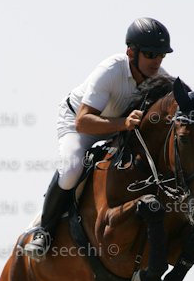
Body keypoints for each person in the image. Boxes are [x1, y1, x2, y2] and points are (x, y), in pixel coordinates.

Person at [23, 17, 175, 260]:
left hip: (118, 127)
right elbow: (83, 121)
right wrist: (123, 124)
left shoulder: (160, 77)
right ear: (131, 52)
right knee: (72, 168)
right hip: (79, 123)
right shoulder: (111, 70)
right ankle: (44, 230)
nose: (156, 61)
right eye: (150, 54)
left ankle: (184, 229)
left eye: (161, 55)